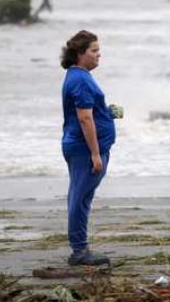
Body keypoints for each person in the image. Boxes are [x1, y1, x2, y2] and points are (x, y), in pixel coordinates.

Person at [60, 30, 122, 266]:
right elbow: (85, 119)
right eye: (94, 51)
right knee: (80, 198)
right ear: (80, 53)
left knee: (81, 196)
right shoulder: (81, 80)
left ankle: (80, 247)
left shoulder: (78, 76)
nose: (99, 55)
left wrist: (107, 113)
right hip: (84, 150)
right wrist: (96, 154)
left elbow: (88, 114)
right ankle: (79, 250)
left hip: (80, 147)